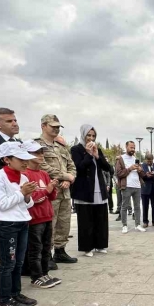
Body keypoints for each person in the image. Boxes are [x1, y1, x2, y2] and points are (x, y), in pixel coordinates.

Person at [0, 142, 39, 306]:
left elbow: (29, 203)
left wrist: (26, 195)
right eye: (20, 159)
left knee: (18, 262)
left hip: (22, 222)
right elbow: (1, 204)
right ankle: (4, 300)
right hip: (7, 224)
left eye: (26, 159)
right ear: (7, 159)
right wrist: (21, 193)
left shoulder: (23, 177)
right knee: (8, 264)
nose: (25, 163)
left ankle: (15, 293)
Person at [36, 114, 78, 268]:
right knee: (50, 224)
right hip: (49, 191)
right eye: (52, 126)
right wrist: (63, 176)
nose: (56, 129)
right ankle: (46, 255)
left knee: (64, 222)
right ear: (43, 126)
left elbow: (72, 166)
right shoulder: (37, 146)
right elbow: (42, 166)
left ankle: (60, 251)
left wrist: (69, 179)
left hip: (65, 191)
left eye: (58, 126)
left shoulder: (61, 147)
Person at [22, 141, 61, 288]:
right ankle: (36, 276)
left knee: (46, 247)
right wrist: (47, 190)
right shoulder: (25, 174)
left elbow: (51, 197)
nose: (40, 155)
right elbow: (31, 198)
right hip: (34, 218)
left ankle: (45, 273)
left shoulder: (44, 174)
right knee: (35, 249)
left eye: (41, 152)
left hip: (47, 216)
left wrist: (53, 188)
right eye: (36, 153)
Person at [71, 125, 111, 256]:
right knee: (86, 220)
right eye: (88, 135)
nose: (91, 138)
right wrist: (88, 155)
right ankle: (87, 247)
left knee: (101, 218)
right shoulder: (76, 149)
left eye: (93, 136)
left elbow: (108, 168)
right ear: (83, 135)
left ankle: (100, 244)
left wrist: (97, 156)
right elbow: (79, 168)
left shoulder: (97, 149)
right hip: (84, 190)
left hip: (99, 188)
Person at [115, 140, 146, 234]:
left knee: (137, 207)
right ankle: (124, 225)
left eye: (134, 148)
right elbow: (119, 174)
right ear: (126, 147)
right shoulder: (120, 159)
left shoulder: (135, 159)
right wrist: (129, 169)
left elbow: (142, 174)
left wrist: (140, 170)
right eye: (131, 147)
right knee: (124, 206)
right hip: (127, 186)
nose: (133, 149)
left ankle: (137, 225)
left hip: (137, 186)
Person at [140, 153, 154, 228]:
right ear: (145, 160)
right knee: (145, 206)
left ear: (152, 159)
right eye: (148, 161)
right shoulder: (142, 166)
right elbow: (140, 175)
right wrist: (146, 175)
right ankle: (145, 221)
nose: (149, 162)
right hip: (145, 189)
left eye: (150, 161)